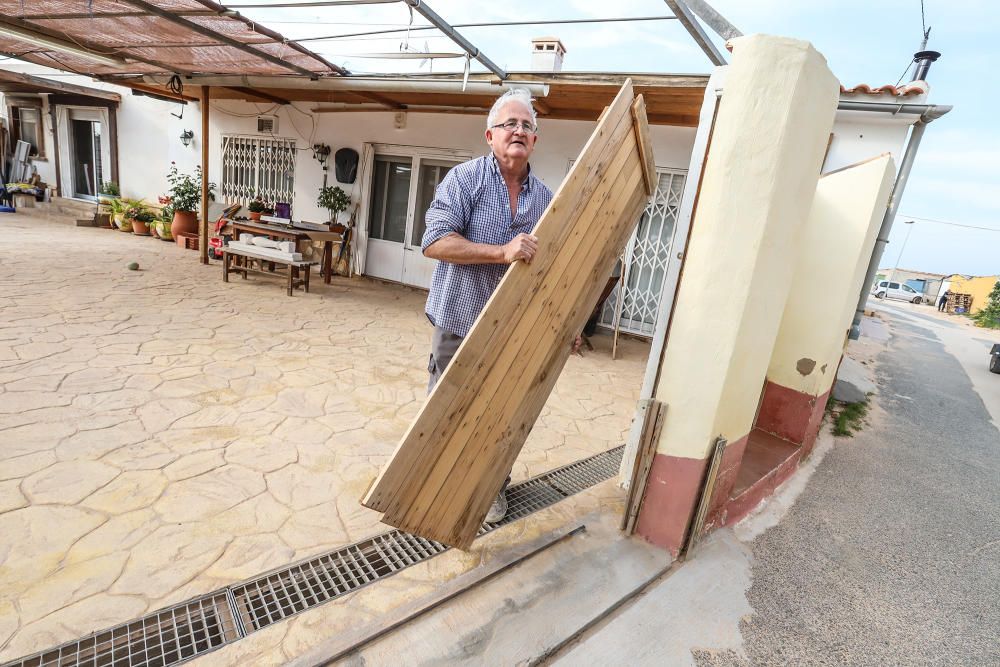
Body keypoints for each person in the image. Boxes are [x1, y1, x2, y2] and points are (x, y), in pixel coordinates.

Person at [420, 88, 554, 523]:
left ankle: (489, 490)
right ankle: (430, 491)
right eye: (509, 124)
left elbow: (552, 266)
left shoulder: (546, 198)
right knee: (445, 412)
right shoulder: (464, 180)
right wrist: (500, 252)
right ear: (490, 136)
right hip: (458, 321)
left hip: (511, 331)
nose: (518, 130)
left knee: (500, 415)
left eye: (526, 125)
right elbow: (435, 242)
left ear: (535, 140)